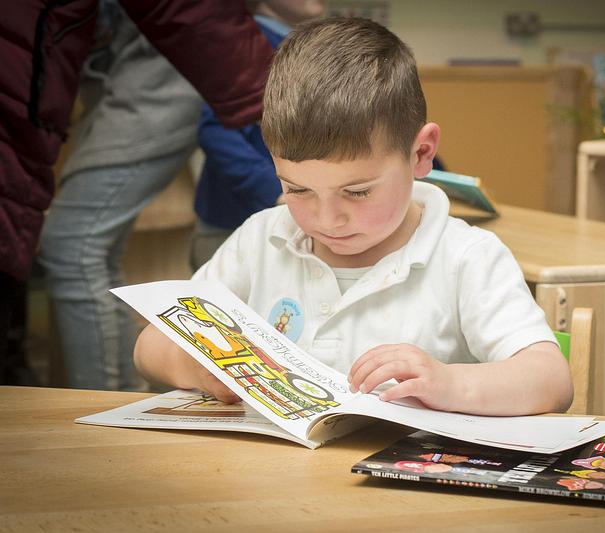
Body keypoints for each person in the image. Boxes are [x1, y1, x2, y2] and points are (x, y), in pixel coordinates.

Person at [134, 17, 573, 416]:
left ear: (421, 154)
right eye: (297, 189)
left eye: (357, 191)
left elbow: (550, 379)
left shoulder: (465, 257)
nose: (328, 219)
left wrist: (450, 381)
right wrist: (199, 371)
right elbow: (151, 344)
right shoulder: (261, 239)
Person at [0, 1, 274, 388]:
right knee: (81, 248)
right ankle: (116, 401)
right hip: (121, 57)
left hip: (172, 54)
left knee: (75, 245)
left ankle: (110, 401)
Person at [191, 0, 325, 271]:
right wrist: (277, 191)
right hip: (231, 227)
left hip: (290, 223)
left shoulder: (308, 49)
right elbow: (216, 132)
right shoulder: (245, 46)